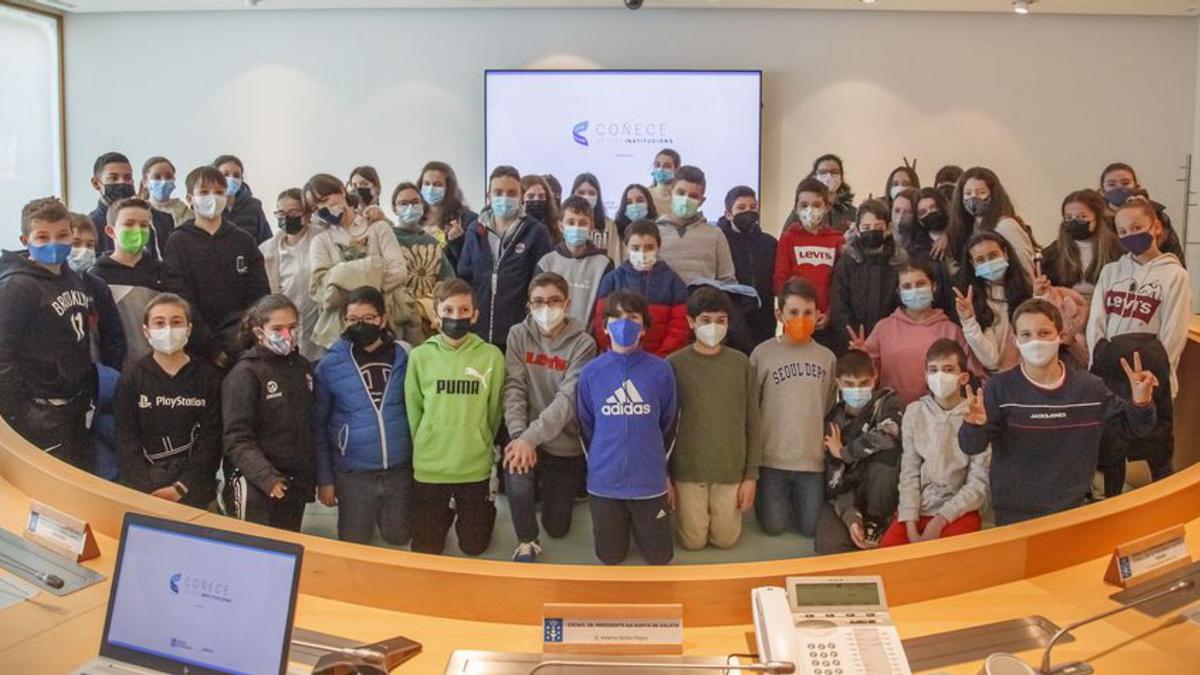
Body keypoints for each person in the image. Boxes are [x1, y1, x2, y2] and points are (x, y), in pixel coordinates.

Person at [959, 299, 1158, 525]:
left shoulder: (1090, 388)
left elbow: (1135, 429)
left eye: (1044, 332)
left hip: (1073, 508)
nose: (1035, 341)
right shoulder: (999, 389)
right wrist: (973, 426)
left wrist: (1141, 403)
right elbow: (971, 446)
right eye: (1026, 334)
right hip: (1014, 512)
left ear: (1060, 336)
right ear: (1015, 340)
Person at [1086, 199, 1191, 496]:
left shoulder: (1175, 275)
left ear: (1155, 227)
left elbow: (1174, 330)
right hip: (1112, 371)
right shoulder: (1110, 272)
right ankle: (1112, 501)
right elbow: (1096, 322)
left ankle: (1163, 502)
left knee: (1156, 446)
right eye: (1123, 230)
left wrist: (1159, 370)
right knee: (1114, 445)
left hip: (1150, 372)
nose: (1130, 235)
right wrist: (1100, 362)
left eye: (1137, 227)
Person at [405, 279, 505, 556]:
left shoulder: (492, 356)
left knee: (474, 547)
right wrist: (427, 440)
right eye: (448, 310)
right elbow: (414, 411)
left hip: (473, 464)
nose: (456, 317)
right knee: (427, 549)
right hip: (430, 464)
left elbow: (494, 410)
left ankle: (484, 510)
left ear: (475, 315)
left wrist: (480, 438)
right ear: (436, 314)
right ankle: (444, 512)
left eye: (463, 310)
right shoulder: (420, 356)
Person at [577, 289, 678, 565]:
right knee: (610, 558)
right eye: (616, 317)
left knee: (660, 558)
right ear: (606, 326)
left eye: (632, 317)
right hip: (604, 484)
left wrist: (662, 471)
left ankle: (642, 526)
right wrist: (599, 464)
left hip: (650, 483)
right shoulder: (591, 373)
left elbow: (669, 424)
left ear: (644, 328)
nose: (624, 323)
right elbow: (585, 425)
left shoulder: (662, 371)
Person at [502, 272, 597, 562]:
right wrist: (520, 437)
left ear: (567, 304)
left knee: (558, 527)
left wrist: (531, 437)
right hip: (525, 434)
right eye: (539, 302)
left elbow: (567, 399)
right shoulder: (518, 334)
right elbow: (514, 388)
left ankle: (563, 486)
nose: (546, 307)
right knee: (516, 473)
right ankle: (527, 541)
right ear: (529, 305)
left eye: (554, 300)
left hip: (562, 440)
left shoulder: (584, 343)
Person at [313, 287, 414, 545]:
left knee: (399, 537)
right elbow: (319, 425)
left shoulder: (407, 356)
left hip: (399, 469)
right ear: (344, 322)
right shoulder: (330, 365)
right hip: (353, 472)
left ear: (383, 318)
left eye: (368, 318)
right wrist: (325, 479)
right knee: (354, 541)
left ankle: (386, 514)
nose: (360, 325)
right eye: (353, 320)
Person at [0, 198, 95, 470]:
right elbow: (2, 353)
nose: (54, 243)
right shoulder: (17, 286)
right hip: (41, 410)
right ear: (25, 239)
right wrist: (22, 412)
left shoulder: (70, 275)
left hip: (73, 405)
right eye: (42, 237)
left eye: (62, 235)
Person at [667, 287, 761, 550]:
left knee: (726, 540)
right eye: (706, 320)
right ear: (691, 322)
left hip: (729, 469)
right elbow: (663, 425)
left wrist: (750, 477)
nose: (714, 327)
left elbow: (753, 420)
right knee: (693, 542)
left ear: (729, 323)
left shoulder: (741, 363)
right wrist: (665, 475)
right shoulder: (674, 364)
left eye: (721, 321)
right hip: (687, 470)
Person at [114, 293, 221, 508]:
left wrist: (182, 487)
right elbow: (125, 440)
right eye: (159, 323)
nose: (168, 329)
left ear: (189, 329)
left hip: (195, 487)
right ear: (146, 331)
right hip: (145, 490)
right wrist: (147, 488)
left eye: (176, 322)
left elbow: (212, 441)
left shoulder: (208, 377)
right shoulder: (132, 378)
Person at [880, 339, 989, 546]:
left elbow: (979, 482)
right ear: (926, 376)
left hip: (958, 510)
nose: (940, 376)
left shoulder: (976, 414)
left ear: (963, 377)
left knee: (946, 562)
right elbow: (909, 472)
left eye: (948, 370)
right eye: (933, 370)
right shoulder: (914, 412)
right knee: (888, 556)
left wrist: (940, 521)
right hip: (919, 507)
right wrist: (910, 523)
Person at [751, 278, 837, 537]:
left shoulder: (827, 358)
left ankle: (795, 499)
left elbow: (829, 405)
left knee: (811, 529)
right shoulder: (761, 354)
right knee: (774, 527)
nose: (802, 318)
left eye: (808, 312)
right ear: (780, 314)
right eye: (794, 312)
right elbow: (752, 406)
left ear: (818, 314)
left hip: (811, 461)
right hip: (772, 459)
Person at [223, 294, 315, 531]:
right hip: (257, 483)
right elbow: (236, 438)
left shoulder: (303, 367)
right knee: (254, 554)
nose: (287, 334)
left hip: (294, 484)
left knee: (288, 550)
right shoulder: (245, 373)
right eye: (278, 328)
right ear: (259, 331)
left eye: (292, 327)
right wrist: (267, 478)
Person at [163, 166, 270, 362]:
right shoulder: (178, 241)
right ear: (189, 199)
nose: (212, 197)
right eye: (204, 192)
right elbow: (181, 296)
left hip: (243, 342)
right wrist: (209, 345)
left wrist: (245, 337)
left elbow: (259, 292)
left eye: (219, 192)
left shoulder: (243, 239)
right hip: (198, 345)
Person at [306, 173, 418, 349]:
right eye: (315, 207)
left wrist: (342, 278)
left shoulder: (378, 227)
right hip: (341, 330)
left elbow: (398, 272)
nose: (322, 208)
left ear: (342, 190)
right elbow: (321, 290)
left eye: (325, 199)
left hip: (386, 323)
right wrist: (374, 267)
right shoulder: (321, 241)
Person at [850, 258, 980, 406]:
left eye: (920, 284)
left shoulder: (952, 330)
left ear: (934, 286)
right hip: (891, 415)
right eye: (907, 286)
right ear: (899, 292)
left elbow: (974, 376)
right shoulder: (883, 328)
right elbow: (869, 377)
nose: (914, 290)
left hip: (940, 415)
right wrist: (861, 358)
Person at [954, 232, 1087, 374]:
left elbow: (1043, 330)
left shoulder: (1027, 287)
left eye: (993, 256)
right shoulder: (974, 303)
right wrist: (969, 321)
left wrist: (1040, 297)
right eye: (980, 260)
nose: (989, 263)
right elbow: (991, 361)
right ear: (972, 264)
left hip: (1040, 370)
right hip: (1003, 379)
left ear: (1005, 253)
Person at [814, 350, 903, 554]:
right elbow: (834, 481)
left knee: (885, 455)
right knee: (829, 543)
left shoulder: (887, 401)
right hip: (851, 493)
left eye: (864, 383)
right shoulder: (832, 422)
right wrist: (852, 519)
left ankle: (877, 524)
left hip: (884, 496)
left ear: (874, 379)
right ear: (838, 383)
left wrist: (845, 453)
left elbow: (889, 434)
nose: (857, 390)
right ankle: (860, 530)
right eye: (850, 384)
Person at [457, 165, 553, 348]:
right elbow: (465, 276)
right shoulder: (474, 229)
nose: (505, 198)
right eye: (498, 192)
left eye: (511, 193)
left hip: (519, 333)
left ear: (521, 196)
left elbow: (542, 282)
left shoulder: (536, 232)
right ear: (489, 196)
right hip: (478, 331)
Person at [90, 198, 168, 370]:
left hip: (160, 367)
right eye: (129, 224)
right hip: (117, 370)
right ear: (111, 231)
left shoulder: (162, 272)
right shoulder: (97, 276)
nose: (137, 230)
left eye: (144, 225)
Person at [593, 221, 689, 357]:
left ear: (658, 247)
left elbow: (679, 328)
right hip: (618, 357)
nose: (642, 253)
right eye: (635, 248)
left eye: (649, 247)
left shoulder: (674, 282)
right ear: (626, 247)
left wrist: (660, 358)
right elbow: (601, 322)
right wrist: (615, 353)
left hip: (661, 361)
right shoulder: (612, 280)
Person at [773, 178, 842, 348]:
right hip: (796, 321)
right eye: (804, 205)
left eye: (817, 205)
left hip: (825, 322)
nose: (810, 210)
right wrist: (793, 314)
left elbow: (840, 284)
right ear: (796, 208)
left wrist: (829, 313)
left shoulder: (837, 240)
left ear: (827, 207)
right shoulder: (788, 238)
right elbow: (780, 280)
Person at [830, 199, 902, 355]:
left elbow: (901, 306)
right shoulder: (847, 262)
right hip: (852, 345)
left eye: (878, 227)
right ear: (857, 230)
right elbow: (839, 306)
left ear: (888, 228)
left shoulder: (898, 262)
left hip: (890, 345)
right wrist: (852, 339)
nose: (872, 231)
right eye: (866, 227)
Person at [260, 188, 322, 361]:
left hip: (318, 326)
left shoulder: (323, 239)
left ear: (307, 214)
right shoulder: (266, 250)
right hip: (283, 329)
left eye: (294, 212)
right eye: (281, 213)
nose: (286, 217)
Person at [536, 196, 613, 334]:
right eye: (571, 222)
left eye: (583, 223)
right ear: (561, 226)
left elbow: (605, 310)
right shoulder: (546, 263)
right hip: (550, 340)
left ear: (591, 227)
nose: (576, 227)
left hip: (587, 343)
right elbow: (537, 306)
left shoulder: (604, 264)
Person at [390, 181, 454, 340]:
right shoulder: (388, 239)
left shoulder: (431, 241)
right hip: (398, 320)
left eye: (415, 202)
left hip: (430, 321)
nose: (410, 207)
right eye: (403, 203)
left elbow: (448, 279)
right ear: (394, 208)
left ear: (422, 206)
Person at [949, 167, 1037, 283]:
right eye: (968, 193)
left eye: (981, 192)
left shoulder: (1006, 226)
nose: (973, 198)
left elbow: (1026, 268)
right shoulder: (970, 226)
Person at [716, 186, 777, 347]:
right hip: (733, 318)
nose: (748, 212)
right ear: (728, 214)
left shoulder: (769, 243)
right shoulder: (720, 242)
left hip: (764, 319)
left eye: (752, 207)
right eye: (741, 208)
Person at [654, 166, 735, 285]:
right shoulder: (653, 232)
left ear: (702, 201)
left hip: (704, 302)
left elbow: (728, 281)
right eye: (680, 193)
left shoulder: (716, 235)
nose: (685, 199)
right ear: (670, 193)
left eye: (693, 196)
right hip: (663, 302)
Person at [68, 215, 126, 371]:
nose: (84, 250)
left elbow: (113, 338)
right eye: (76, 243)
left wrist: (111, 373)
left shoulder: (98, 286)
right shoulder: (46, 285)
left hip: (95, 372)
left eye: (90, 245)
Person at [1040, 189, 1121, 301]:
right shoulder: (1053, 252)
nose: (1074, 223)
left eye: (1082, 217)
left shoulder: (1117, 250)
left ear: (1097, 218)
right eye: (1068, 218)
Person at [1098, 162, 1185, 262]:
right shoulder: (1095, 219)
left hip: (1153, 273)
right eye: (1111, 184)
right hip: (1109, 275)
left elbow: (1173, 251)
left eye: (1126, 183)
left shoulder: (1156, 214)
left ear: (1136, 187)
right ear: (1102, 191)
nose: (1119, 188)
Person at [88, 151, 168, 256]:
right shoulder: (90, 225)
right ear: (96, 184)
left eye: (127, 178)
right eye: (114, 178)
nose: (122, 182)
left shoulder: (159, 219)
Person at [418, 160, 477, 268]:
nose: (431, 189)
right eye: (426, 184)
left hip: (450, 282)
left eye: (437, 184)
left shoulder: (467, 219)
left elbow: (471, 265)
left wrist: (458, 241)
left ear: (449, 188)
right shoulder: (415, 217)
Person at [212, 154, 271, 244]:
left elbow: (267, 242)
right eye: (225, 174)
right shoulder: (208, 206)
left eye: (236, 175)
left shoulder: (254, 206)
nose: (231, 179)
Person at [571, 172, 622, 263]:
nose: (586, 197)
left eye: (591, 193)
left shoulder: (609, 225)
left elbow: (615, 257)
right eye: (581, 193)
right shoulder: (566, 224)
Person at [808, 154, 856, 232]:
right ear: (815, 177)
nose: (829, 176)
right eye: (823, 172)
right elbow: (785, 239)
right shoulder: (805, 209)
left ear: (841, 177)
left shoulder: (852, 213)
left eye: (834, 172)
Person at [140, 156, 191, 227]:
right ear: (145, 182)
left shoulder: (185, 212)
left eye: (169, 177)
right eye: (157, 177)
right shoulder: (138, 210)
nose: (164, 181)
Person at [521, 175, 561, 243]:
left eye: (541, 196)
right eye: (531, 196)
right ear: (521, 199)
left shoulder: (555, 229)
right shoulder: (514, 229)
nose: (536, 200)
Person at [648, 148, 681, 216]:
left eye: (667, 166)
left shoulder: (681, 198)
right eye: (657, 165)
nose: (661, 169)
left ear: (677, 169)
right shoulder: (645, 194)